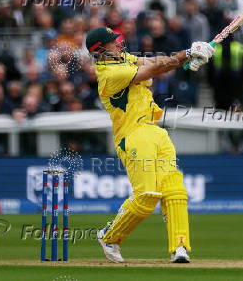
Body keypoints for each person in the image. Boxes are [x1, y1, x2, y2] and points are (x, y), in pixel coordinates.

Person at [85, 27, 214, 263]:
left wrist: (186, 57)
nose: (119, 44)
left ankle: (180, 247)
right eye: (113, 42)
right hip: (133, 134)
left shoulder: (124, 59)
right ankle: (109, 236)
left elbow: (157, 60)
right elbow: (154, 69)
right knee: (146, 197)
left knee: (175, 190)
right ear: (100, 50)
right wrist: (186, 53)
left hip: (155, 131)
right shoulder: (108, 74)